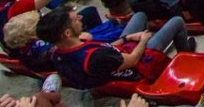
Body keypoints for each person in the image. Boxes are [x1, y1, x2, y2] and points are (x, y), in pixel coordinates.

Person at [36, 6, 195, 88]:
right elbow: (132, 60)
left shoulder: (57, 53)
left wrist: (127, 38)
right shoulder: (94, 58)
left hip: (118, 53)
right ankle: (187, 57)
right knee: (177, 21)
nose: (81, 17)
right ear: (67, 33)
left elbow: (105, 47)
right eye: (75, 19)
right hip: (136, 64)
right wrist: (143, 40)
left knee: (139, 15)